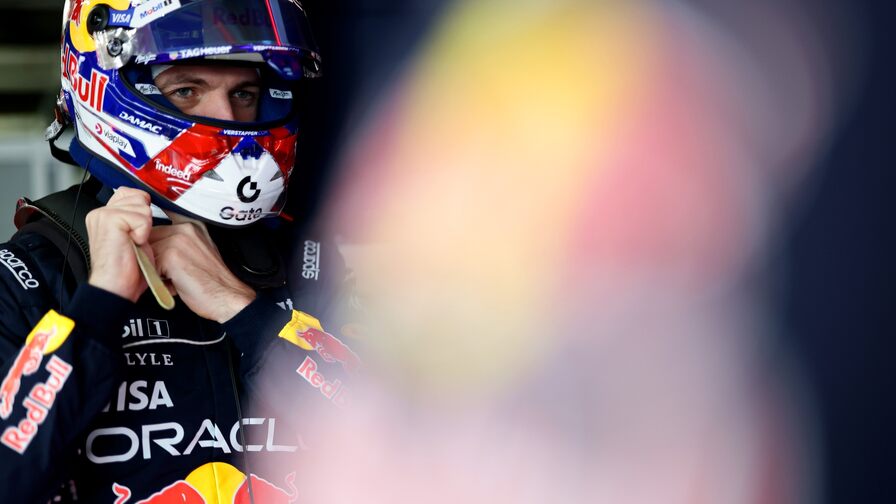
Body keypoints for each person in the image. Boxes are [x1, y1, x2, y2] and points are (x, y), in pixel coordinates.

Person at [0, 1, 358, 501]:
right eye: (187, 90)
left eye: (245, 93)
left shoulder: (311, 266)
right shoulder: (25, 277)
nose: (227, 118)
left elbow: (412, 454)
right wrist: (99, 306)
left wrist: (243, 311)